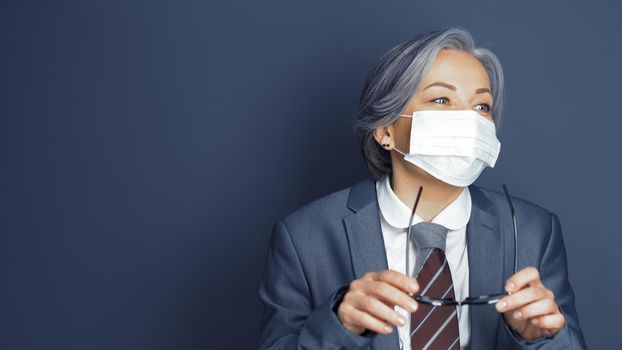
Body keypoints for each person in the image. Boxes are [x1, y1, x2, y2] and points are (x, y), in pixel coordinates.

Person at [257, 27, 587, 349]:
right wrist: (341, 327)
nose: (469, 121)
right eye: (442, 99)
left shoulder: (534, 232)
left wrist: (542, 340)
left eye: (482, 107)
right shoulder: (304, 237)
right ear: (385, 130)